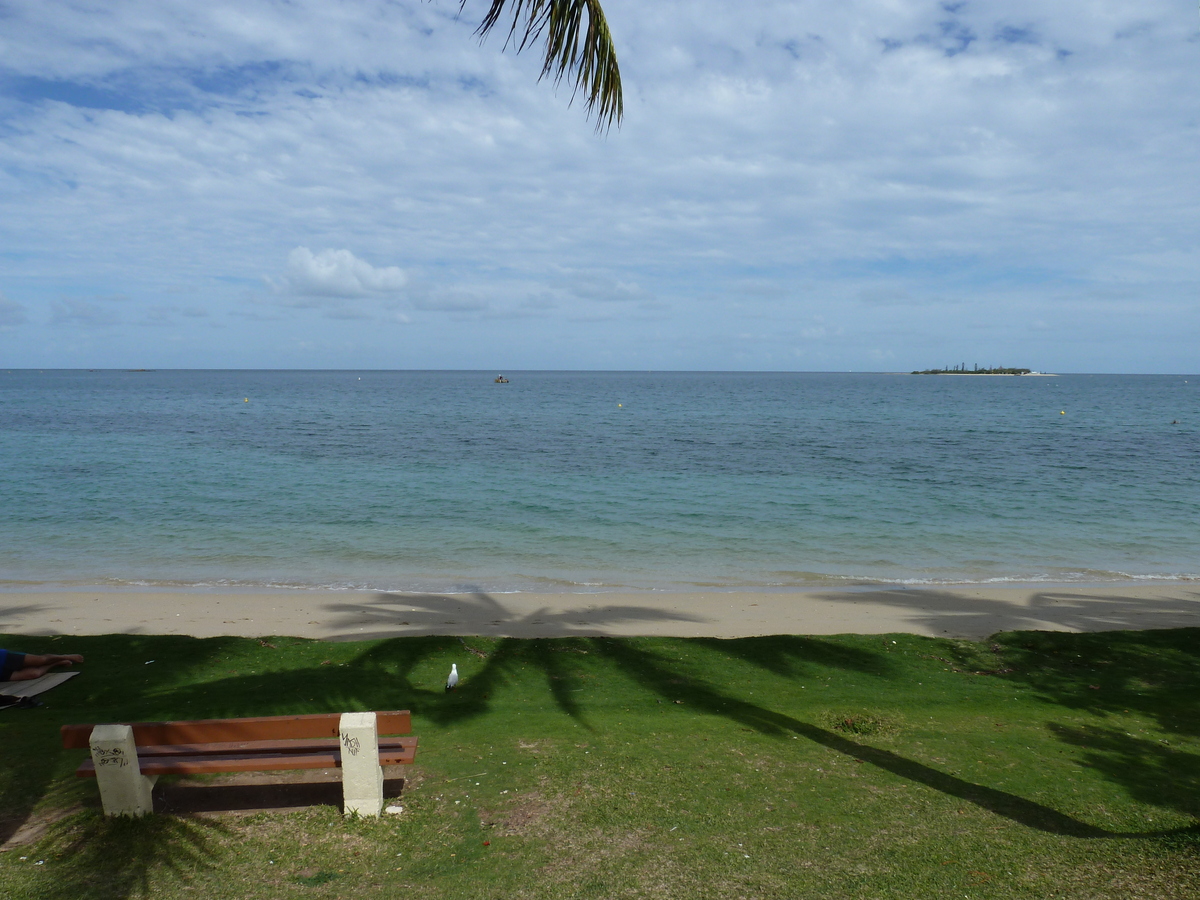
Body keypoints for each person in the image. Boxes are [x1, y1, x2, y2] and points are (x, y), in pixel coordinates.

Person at [0, 649, 84, 682]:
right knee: (34, 674)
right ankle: (56, 663)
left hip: (3, 657)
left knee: (40, 660)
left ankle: (64, 656)